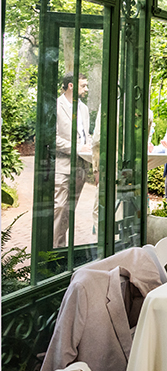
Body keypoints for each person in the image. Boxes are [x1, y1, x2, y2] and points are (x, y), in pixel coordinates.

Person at [54, 74, 92, 248]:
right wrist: (77, 148)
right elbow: (52, 138)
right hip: (63, 166)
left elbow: (85, 136)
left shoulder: (83, 109)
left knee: (69, 212)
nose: (86, 89)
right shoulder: (56, 106)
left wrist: (90, 147)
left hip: (81, 167)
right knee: (59, 208)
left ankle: (61, 249)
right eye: (83, 86)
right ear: (71, 86)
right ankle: (54, 251)